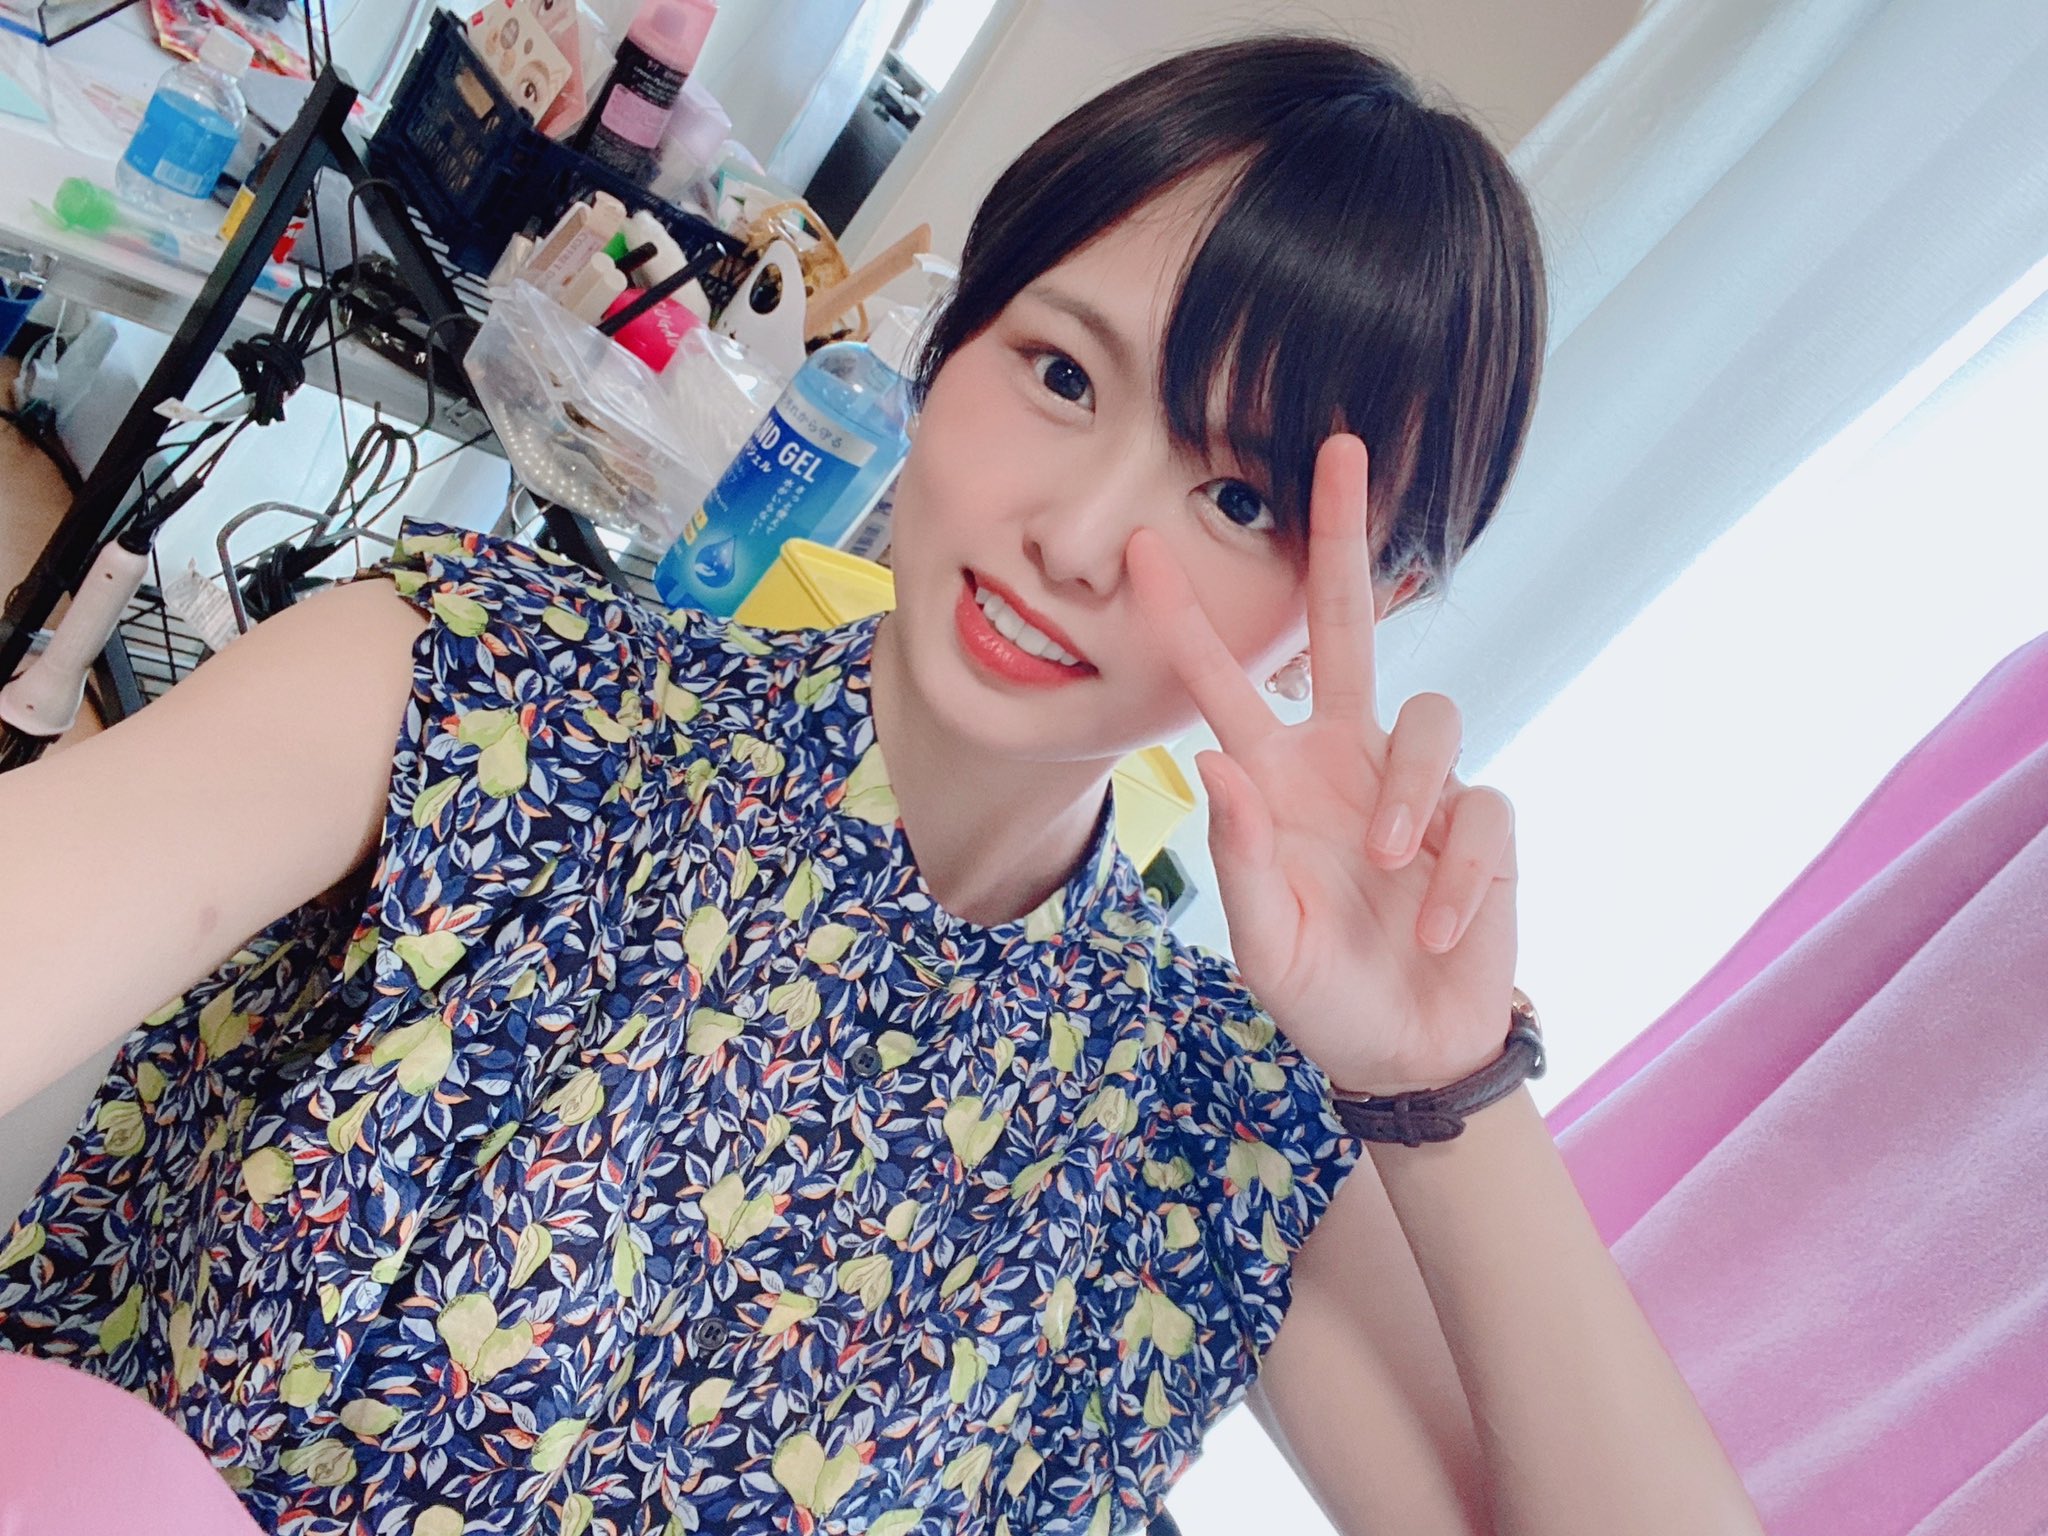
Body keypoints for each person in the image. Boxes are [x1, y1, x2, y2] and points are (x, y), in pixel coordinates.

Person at [0, 34, 1763, 1536]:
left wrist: (1447, 1083)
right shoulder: (481, 688)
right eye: (1060, 373)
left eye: (1237, 500)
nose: (1078, 535)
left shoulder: (1206, 1136)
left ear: (1357, 601)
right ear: (951, 340)